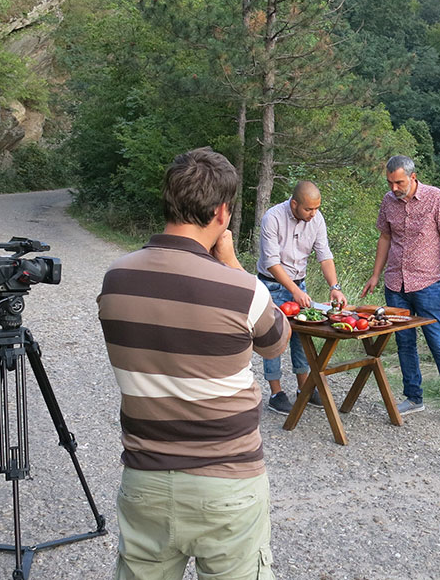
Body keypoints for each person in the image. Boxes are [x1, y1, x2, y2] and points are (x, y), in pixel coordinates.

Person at [98, 147, 290, 580]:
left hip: (145, 478)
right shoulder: (242, 290)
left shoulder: (117, 278)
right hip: (228, 481)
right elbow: (277, 343)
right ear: (221, 212)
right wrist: (233, 264)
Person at [360, 155, 440, 429]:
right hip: (395, 283)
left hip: (428, 283)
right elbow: (384, 237)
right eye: (390, 182)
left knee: (438, 343)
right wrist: (375, 275)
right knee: (404, 342)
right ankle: (413, 397)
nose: (394, 188)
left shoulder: (435, 197)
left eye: (399, 182)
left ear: (413, 177)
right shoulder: (388, 201)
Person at [256, 180, 347, 413]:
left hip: (299, 283)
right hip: (271, 284)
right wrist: (294, 291)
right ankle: (276, 393)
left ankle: (303, 388)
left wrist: (334, 286)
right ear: (294, 203)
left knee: (301, 336)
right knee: (273, 337)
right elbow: (271, 262)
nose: (313, 213)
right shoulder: (273, 218)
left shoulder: (317, 219)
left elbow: (324, 255)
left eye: (316, 208)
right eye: (308, 209)